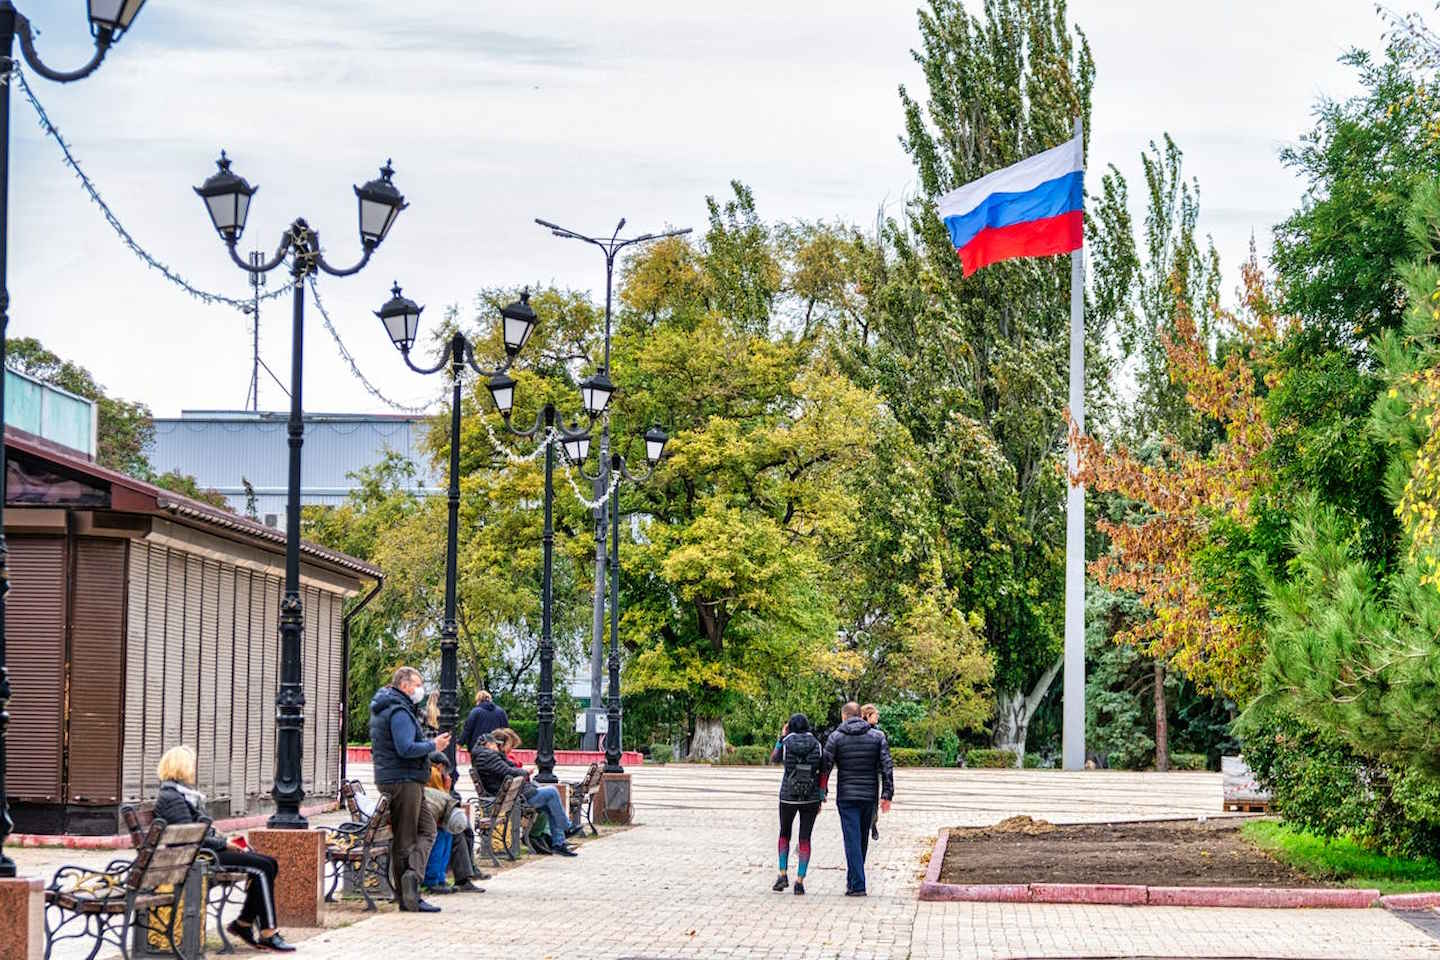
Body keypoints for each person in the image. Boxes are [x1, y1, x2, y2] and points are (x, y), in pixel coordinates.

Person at [153, 745, 295, 952]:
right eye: (191, 765)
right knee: (262, 868)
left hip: (201, 854)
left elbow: (197, 832)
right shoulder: (172, 798)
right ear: (181, 767)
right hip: (197, 858)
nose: (194, 769)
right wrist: (225, 844)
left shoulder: (181, 794)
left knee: (268, 863)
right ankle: (267, 932)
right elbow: (190, 838)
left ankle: (244, 924)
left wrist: (226, 840)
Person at [369, 666, 450, 913]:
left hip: (401, 777)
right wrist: (432, 744)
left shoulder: (394, 706)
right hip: (402, 780)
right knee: (406, 838)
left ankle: (410, 880)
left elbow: (402, 747)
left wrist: (433, 752)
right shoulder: (398, 710)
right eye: (417, 684)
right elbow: (405, 748)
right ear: (405, 685)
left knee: (426, 829)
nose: (420, 689)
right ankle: (409, 893)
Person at [821, 701, 894, 897]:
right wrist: (887, 795)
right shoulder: (878, 736)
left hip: (846, 796)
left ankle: (858, 884)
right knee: (861, 838)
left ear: (844, 716)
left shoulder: (835, 737)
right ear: (860, 715)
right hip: (869, 795)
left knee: (851, 839)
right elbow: (887, 767)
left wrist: (821, 792)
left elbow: (825, 767)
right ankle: (854, 880)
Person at [470, 733, 581, 857]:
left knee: (550, 805)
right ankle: (566, 828)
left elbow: (508, 769)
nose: (498, 747)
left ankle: (559, 843)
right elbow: (508, 772)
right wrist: (524, 772)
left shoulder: (486, 756)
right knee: (552, 792)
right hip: (515, 798)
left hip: (512, 795)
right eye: (496, 745)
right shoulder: (487, 756)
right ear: (488, 744)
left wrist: (519, 770)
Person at [770, 713, 825, 896]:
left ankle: (782, 873)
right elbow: (822, 768)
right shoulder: (816, 744)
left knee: (784, 833)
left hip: (788, 795)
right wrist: (821, 794)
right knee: (805, 838)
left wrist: (781, 737)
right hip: (810, 795)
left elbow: (774, 758)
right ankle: (800, 881)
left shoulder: (786, 743)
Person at [421, 752, 484, 895]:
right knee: (445, 835)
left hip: (435, 816)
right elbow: (439, 798)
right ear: (440, 765)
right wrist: (447, 787)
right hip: (433, 818)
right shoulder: (433, 773)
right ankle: (436, 879)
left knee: (452, 833)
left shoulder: (434, 772)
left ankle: (442, 878)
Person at [860, 703, 887, 841]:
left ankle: (873, 823)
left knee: (873, 802)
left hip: (874, 773)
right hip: (862, 772)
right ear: (868, 716)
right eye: (875, 714)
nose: (877, 717)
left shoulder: (879, 733)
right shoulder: (858, 732)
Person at [459, 690, 509, 754]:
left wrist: (460, 743)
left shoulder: (475, 712)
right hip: (497, 747)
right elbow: (506, 730)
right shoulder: (501, 712)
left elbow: (467, 730)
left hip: (478, 748)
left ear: (478, 700)